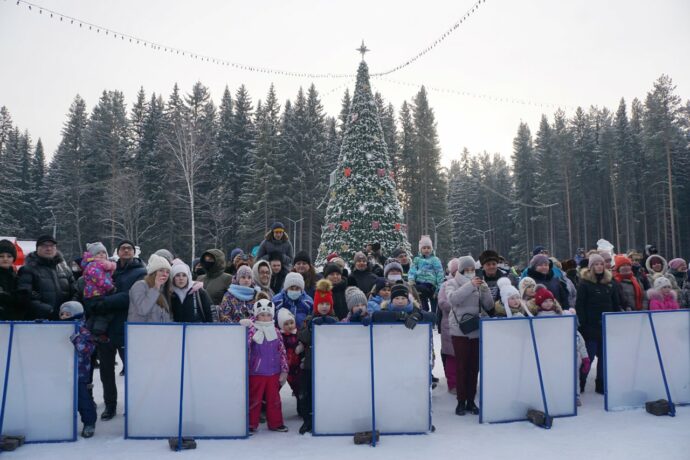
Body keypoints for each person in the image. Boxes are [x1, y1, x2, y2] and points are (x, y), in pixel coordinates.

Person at [445, 255, 494, 416]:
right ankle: (461, 401)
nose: (471, 272)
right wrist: (470, 285)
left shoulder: (479, 283)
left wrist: (485, 290)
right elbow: (453, 299)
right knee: (462, 366)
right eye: (467, 270)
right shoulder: (452, 282)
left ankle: (471, 401)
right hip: (459, 330)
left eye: (473, 270)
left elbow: (489, 305)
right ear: (460, 270)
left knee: (474, 367)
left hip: (475, 329)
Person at [239, 299, 289, 434]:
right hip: (256, 372)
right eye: (262, 314)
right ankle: (250, 424)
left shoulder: (276, 331)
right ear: (256, 315)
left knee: (274, 400)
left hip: (273, 372)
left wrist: (284, 369)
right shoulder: (252, 329)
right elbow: (245, 345)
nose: (265, 317)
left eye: (268, 315)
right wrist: (244, 327)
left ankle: (276, 423)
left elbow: (282, 350)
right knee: (254, 399)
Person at [297, 279, 338, 434]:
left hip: (328, 364)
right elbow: (302, 337)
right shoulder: (308, 320)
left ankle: (327, 417)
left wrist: (331, 326)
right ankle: (308, 420)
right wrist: (312, 328)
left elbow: (338, 339)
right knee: (307, 393)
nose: (324, 307)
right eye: (321, 304)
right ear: (316, 305)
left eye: (327, 304)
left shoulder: (335, 319)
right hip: (310, 363)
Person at [576, 254, 620, 394]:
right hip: (590, 327)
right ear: (591, 267)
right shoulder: (585, 284)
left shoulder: (610, 282)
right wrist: (582, 324)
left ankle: (600, 384)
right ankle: (581, 381)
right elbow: (580, 305)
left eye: (601, 264)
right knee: (588, 357)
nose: (599, 266)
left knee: (604, 358)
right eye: (596, 264)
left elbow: (615, 303)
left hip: (607, 326)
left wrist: (616, 320)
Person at [60, 301, 97, 438]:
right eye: (62, 314)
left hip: (80, 372)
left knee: (82, 399)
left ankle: (89, 422)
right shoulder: (60, 329)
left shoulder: (83, 331)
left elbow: (88, 350)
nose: (64, 317)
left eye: (67, 314)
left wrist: (76, 339)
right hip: (64, 371)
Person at [17, 234, 76, 320]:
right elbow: (25, 297)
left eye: (52, 246)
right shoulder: (28, 269)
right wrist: (50, 311)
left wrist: (71, 309)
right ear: (37, 248)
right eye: (44, 246)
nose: (49, 248)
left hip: (65, 321)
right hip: (37, 323)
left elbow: (75, 292)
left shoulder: (65, 269)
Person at [80, 242, 117, 341]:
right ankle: (98, 332)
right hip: (95, 294)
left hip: (98, 293)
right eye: (98, 253)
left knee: (95, 315)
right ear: (92, 255)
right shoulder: (93, 265)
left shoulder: (103, 265)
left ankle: (89, 330)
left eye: (103, 252)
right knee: (104, 313)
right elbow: (99, 278)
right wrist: (111, 287)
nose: (101, 255)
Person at [128, 254, 173, 323]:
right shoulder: (139, 285)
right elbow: (142, 310)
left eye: (167, 272)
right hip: (140, 332)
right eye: (161, 270)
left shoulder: (162, 291)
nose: (165, 274)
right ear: (153, 273)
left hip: (159, 332)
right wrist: (156, 288)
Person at [408, 236, 445, 314]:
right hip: (419, 282)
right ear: (420, 249)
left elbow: (439, 272)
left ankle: (435, 314)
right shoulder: (417, 260)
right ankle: (424, 310)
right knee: (419, 294)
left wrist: (439, 286)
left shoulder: (435, 259)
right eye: (424, 248)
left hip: (431, 283)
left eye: (428, 248)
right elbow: (412, 270)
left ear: (431, 249)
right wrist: (411, 280)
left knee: (434, 299)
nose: (426, 250)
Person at [438, 258, 459, 394]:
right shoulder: (445, 285)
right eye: (456, 270)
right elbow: (442, 303)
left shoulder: (472, 283)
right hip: (449, 324)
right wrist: (461, 306)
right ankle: (453, 384)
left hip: (469, 327)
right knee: (452, 356)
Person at [277, 308, 303, 414]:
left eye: (291, 322)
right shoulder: (280, 335)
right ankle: (268, 409)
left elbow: (303, 344)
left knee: (298, 388)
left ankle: (302, 409)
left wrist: (301, 346)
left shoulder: (298, 334)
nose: (290, 326)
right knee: (275, 387)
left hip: (295, 367)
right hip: (283, 368)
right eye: (286, 324)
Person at [0, 239, 20, 320]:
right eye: (1, 256)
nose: (5, 259)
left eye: (9, 256)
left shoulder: (16, 277)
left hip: (12, 321)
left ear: (13, 258)